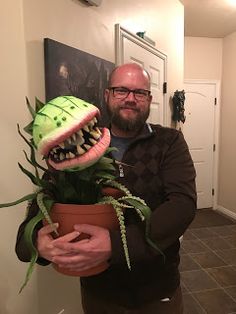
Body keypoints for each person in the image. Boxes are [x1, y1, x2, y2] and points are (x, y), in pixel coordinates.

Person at [16, 63, 196, 314]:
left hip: (157, 291)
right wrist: (36, 243)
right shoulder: (77, 143)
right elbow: (42, 204)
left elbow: (182, 206)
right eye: (121, 90)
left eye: (139, 92)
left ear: (150, 99)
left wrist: (114, 245)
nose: (130, 99)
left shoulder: (169, 142)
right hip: (99, 293)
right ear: (107, 95)